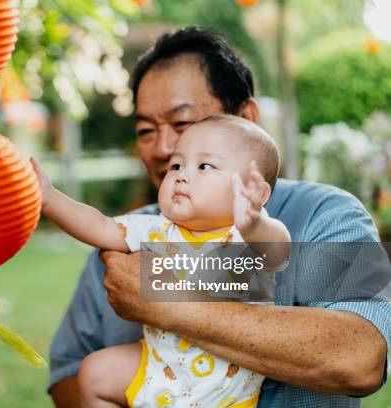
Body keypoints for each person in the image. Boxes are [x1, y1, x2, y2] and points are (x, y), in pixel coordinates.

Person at [48, 27, 390, 408]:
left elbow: (361, 360)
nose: (165, 149)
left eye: (183, 125)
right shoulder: (129, 237)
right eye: (146, 130)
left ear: (246, 117)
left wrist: (163, 297)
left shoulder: (325, 215)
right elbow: (67, 375)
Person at [36, 115, 291, 407]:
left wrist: (254, 222)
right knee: (95, 372)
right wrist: (50, 199)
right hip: (159, 368)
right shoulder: (156, 229)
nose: (182, 175)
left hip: (225, 395)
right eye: (176, 165)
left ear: (256, 193)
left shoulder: (248, 237)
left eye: (204, 166)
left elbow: (279, 251)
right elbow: (100, 227)